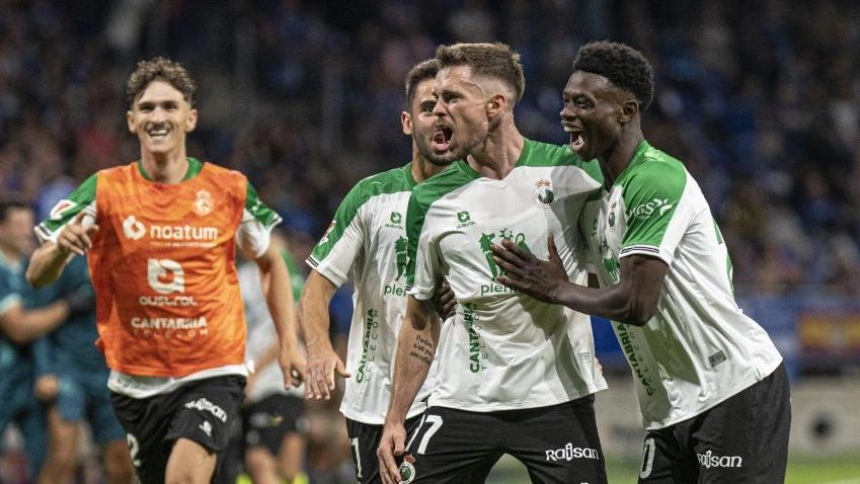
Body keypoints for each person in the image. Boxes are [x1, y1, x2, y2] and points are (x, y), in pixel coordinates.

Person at [490, 41, 791, 483]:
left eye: (583, 103)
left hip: (734, 390)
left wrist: (556, 288)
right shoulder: (596, 198)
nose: (566, 113)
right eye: (566, 101)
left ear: (626, 112)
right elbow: (592, 289)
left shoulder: (655, 178)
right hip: (668, 407)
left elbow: (636, 302)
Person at [26, 57, 305, 484]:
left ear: (190, 118)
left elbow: (273, 266)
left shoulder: (228, 188)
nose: (158, 117)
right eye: (148, 108)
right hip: (135, 379)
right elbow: (36, 274)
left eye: (170, 107)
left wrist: (288, 343)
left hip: (212, 368)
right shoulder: (103, 189)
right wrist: (59, 250)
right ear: (132, 121)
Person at [377, 42, 608, 484]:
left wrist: (579, 299)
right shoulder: (429, 198)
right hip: (464, 398)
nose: (437, 110)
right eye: (434, 100)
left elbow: (613, 261)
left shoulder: (573, 174)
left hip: (556, 397)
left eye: (451, 98)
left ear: (496, 105)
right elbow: (420, 316)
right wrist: (395, 417)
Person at [299, 58, 455, 484]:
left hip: (455, 395)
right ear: (408, 122)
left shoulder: (485, 197)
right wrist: (317, 347)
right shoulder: (372, 196)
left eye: (450, 108)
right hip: (373, 396)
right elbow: (316, 287)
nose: (440, 118)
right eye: (428, 108)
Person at [0, 199, 85, 480]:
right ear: (1, 229)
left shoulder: (32, 268)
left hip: (30, 381)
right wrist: (67, 307)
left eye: (29, 223)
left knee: (49, 461)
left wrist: (46, 370)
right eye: (19, 225)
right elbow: (18, 328)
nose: (28, 232)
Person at [36, 253, 134, 484]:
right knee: (62, 459)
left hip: (111, 369)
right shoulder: (66, 256)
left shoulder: (128, 252)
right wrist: (44, 370)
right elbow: (39, 314)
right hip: (67, 368)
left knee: (121, 463)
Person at [223, 233, 309, 484]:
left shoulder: (277, 261)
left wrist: (255, 372)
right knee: (284, 470)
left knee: (260, 461)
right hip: (254, 385)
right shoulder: (239, 273)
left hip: (275, 379)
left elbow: (294, 322)